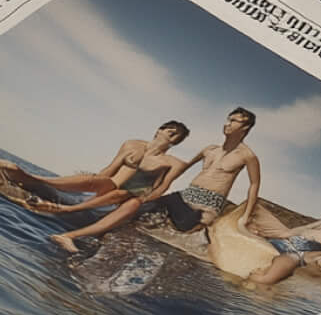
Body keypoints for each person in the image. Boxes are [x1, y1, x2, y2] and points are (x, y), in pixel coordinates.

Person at [53, 107, 262, 253]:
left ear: (245, 127)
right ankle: (73, 235)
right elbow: (181, 169)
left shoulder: (247, 156)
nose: (227, 124)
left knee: (166, 218)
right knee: (134, 205)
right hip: (181, 197)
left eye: (234, 121)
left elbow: (253, 186)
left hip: (205, 206)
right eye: (228, 119)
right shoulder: (210, 149)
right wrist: (152, 188)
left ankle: (80, 228)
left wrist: (244, 218)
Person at [14, 123, 190, 204]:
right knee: (102, 180)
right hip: (107, 186)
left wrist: (139, 202)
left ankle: (33, 178)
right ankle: (35, 179)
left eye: (177, 136)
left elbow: (161, 187)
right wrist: (90, 183)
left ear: (177, 142)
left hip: (123, 197)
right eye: (171, 131)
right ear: (159, 129)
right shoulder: (132, 144)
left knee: (110, 185)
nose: (173, 135)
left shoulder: (169, 162)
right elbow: (111, 168)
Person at [242, 193, 321, 288]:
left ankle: (263, 280)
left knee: (287, 260)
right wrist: (272, 233)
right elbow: (297, 230)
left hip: (297, 254)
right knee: (254, 209)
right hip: (284, 242)